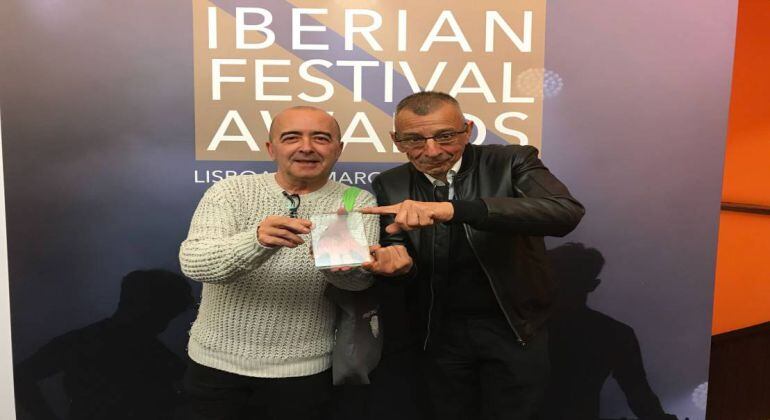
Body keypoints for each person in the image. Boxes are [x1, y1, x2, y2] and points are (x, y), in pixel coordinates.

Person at [178, 106, 412, 420]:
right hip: (216, 367)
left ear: (338, 149)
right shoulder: (230, 192)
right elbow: (196, 264)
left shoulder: (355, 201)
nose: (306, 147)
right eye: (292, 138)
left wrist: (341, 267)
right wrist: (257, 241)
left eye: (321, 138)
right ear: (271, 148)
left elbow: (356, 283)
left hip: (303, 370)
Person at [362, 92, 584, 420]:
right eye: (414, 140)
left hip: (514, 326)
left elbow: (564, 212)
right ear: (396, 140)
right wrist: (397, 265)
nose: (432, 150)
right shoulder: (389, 183)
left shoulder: (511, 162)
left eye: (445, 136)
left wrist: (456, 210)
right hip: (435, 334)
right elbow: (400, 251)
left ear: (467, 130)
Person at [14, 269, 194, 420]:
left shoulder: (82, 341)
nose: (163, 325)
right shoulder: (159, 355)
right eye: (164, 314)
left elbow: (21, 376)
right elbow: (21, 376)